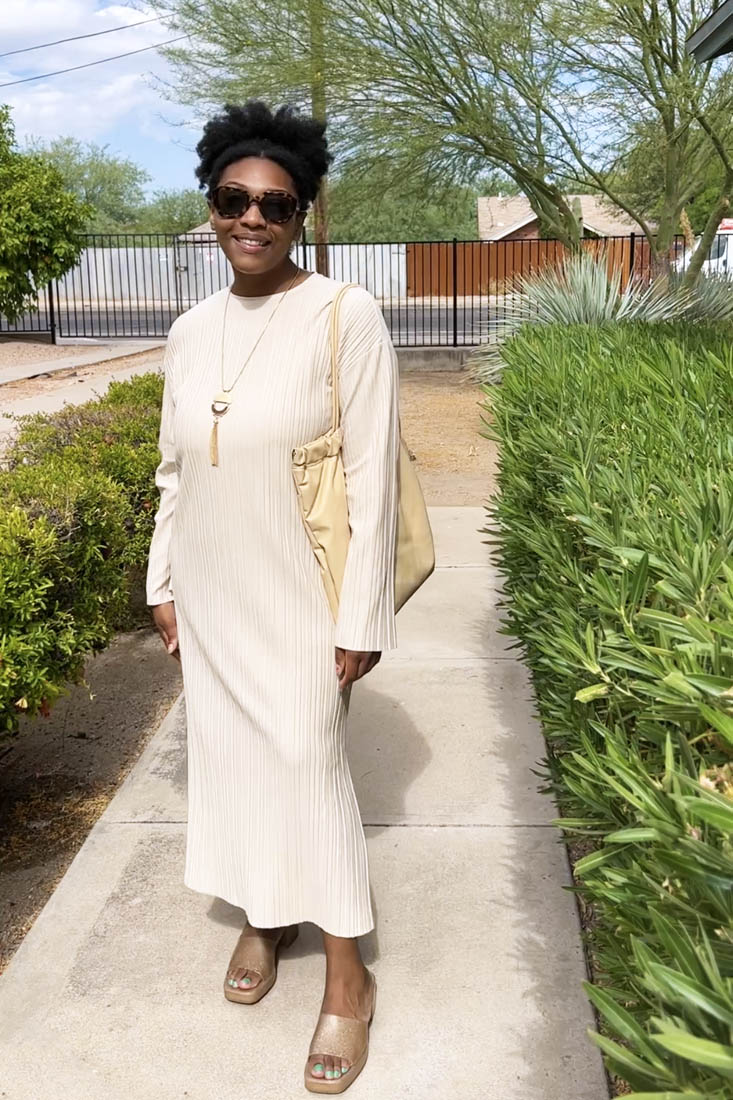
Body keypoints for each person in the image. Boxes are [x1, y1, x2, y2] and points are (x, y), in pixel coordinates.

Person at [145, 100, 400, 1094]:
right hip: (209, 588)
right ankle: (263, 909)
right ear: (210, 203)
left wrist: (360, 616)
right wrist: (162, 579)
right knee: (236, 760)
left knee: (307, 764)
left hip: (299, 588)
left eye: (276, 204)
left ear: (301, 214)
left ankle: (348, 976)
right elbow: (174, 469)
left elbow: (374, 475)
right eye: (232, 198)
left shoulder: (346, 314)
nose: (251, 218)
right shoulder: (187, 327)